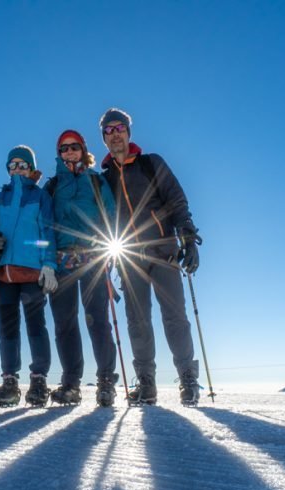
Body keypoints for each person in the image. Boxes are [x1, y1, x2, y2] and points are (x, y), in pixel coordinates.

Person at [99, 107, 203, 406]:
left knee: (175, 318)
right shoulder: (104, 178)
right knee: (137, 321)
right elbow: (103, 220)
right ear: (104, 139)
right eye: (109, 130)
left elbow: (176, 197)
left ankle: (187, 379)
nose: (115, 134)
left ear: (128, 132)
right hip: (128, 257)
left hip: (163, 250)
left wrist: (187, 232)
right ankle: (146, 383)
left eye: (119, 128)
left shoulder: (150, 163)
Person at [43, 129, 120, 406]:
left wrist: (111, 249)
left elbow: (111, 216)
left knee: (97, 320)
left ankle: (106, 381)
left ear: (83, 149)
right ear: (59, 153)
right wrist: (46, 263)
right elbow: (43, 225)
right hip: (61, 264)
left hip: (93, 260)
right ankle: (71, 383)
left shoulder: (97, 182)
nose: (69, 152)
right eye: (64, 148)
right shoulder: (52, 188)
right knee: (64, 324)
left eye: (74, 147)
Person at [0, 145, 58, 407]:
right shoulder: (0, 197)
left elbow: (48, 231)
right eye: (13, 165)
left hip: (32, 270)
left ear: (30, 167)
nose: (17, 169)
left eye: (22, 164)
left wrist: (49, 264)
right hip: (4, 272)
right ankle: (10, 381)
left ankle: (39, 380)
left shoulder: (39, 196)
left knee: (35, 324)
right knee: (7, 327)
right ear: (8, 169)